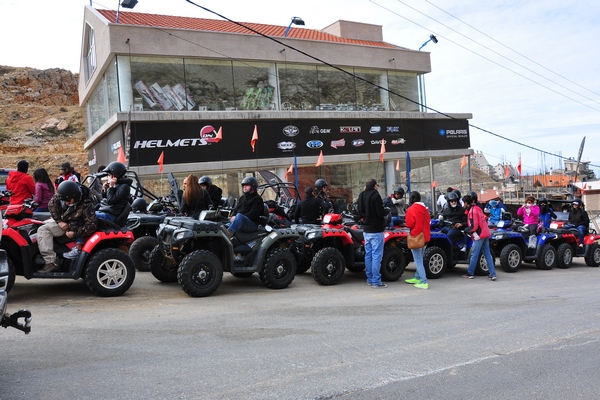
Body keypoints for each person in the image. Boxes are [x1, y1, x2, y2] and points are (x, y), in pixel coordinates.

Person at [38, 181, 97, 272]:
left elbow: (91, 225)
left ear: (75, 197)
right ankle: (50, 261)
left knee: (43, 230)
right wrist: (59, 221)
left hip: (76, 226)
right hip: (63, 221)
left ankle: (51, 262)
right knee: (41, 228)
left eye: (69, 201)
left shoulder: (87, 204)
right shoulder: (64, 192)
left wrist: (75, 234)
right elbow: (51, 205)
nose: (66, 203)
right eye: (64, 201)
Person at [356, 178, 386, 288]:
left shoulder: (361, 195)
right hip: (376, 229)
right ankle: (376, 281)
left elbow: (359, 211)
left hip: (366, 230)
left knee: (368, 255)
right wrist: (385, 211)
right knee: (377, 256)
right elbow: (380, 212)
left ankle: (369, 279)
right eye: (377, 185)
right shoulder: (376, 195)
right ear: (374, 186)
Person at [461, 194, 497, 281]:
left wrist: (466, 230)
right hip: (486, 233)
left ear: (466, 203)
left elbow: (474, 226)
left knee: (474, 254)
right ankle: (492, 274)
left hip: (479, 235)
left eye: (463, 203)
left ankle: (470, 273)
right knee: (487, 254)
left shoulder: (472, 211)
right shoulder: (477, 208)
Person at [404, 191, 431, 290]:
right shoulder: (425, 209)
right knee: (420, 259)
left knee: (418, 260)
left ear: (412, 199)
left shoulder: (411, 209)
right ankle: (417, 277)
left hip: (416, 237)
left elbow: (409, 224)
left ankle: (424, 281)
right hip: (425, 237)